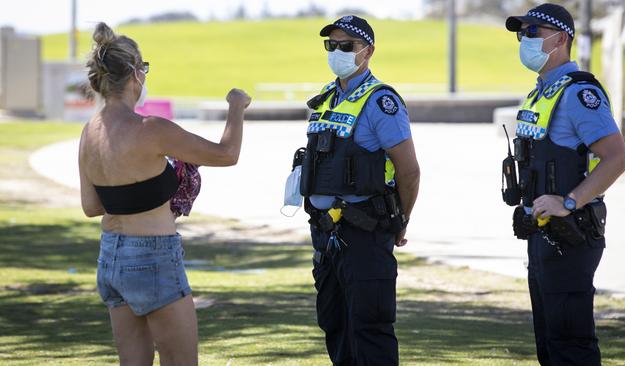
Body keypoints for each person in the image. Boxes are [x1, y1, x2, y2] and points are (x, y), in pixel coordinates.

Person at [78, 22, 251, 366]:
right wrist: (236, 107)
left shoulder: (90, 132)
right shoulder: (151, 129)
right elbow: (227, 154)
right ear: (136, 75)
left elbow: (91, 205)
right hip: (153, 255)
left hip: (110, 258)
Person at [502, 4, 625, 365]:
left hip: (570, 234)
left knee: (570, 347)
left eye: (532, 33)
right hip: (541, 235)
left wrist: (569, 202)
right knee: (550, 345)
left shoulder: (578, 94)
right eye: (520, 34)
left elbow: (617, 158)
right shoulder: (541, 92)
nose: (524, 41)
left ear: (560, 39)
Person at [294, 15, 420, 365]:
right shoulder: (328, 98)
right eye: (331, 45)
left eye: (346, 46)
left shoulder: (381, 102)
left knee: (370, 329)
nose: (337, 52)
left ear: (368, 51)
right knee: (334, 324)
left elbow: (409, 172)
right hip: (324, 232)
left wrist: (401, 221)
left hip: (365, 231)